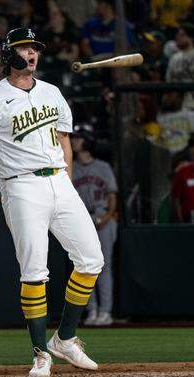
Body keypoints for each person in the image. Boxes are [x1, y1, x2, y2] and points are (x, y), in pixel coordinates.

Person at [0, 27, 103, 377]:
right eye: (24, 48)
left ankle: (65, 338)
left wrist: (66, 182)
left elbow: (64, 140)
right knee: (34, 270)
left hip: (58, 179)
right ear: (9, 54)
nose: (32, 54)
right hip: (21, 186)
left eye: (35, 49)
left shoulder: (52, 92)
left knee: (91, 260)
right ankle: (41, 354)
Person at [70, 124, 118, 327]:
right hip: (81, 219)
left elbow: (112, 195)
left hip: (101, 216)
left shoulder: (103, 167)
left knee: (104, 266)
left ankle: (105, 311)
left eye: (78, 137)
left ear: (88, 140)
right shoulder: (69, 166)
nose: (73, 141)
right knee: (83, 268)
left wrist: (108, 216)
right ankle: (92, 311)